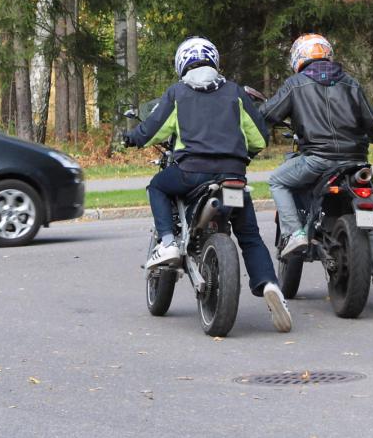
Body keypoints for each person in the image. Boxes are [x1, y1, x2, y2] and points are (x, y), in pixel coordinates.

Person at [123, 36, 293, 332]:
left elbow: (153, 129)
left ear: (182, 64)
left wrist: (131, 138)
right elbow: (259, 137)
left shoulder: (178, 92)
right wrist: (243, 157)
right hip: (233, 179)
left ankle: (167, 244)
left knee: (158, 187)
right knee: (250, 236)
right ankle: (271, 287)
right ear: (214, 61)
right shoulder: (235, 93)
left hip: (192, 174)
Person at [261, 33, 373, 309]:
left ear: (299, 58)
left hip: (316, 160)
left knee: (278, 181)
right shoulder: (351, 83)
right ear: (328, 55)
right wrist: (371, 135)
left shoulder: (295, 85)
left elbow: (267, 115)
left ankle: (296, 234)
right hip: (356, 164)